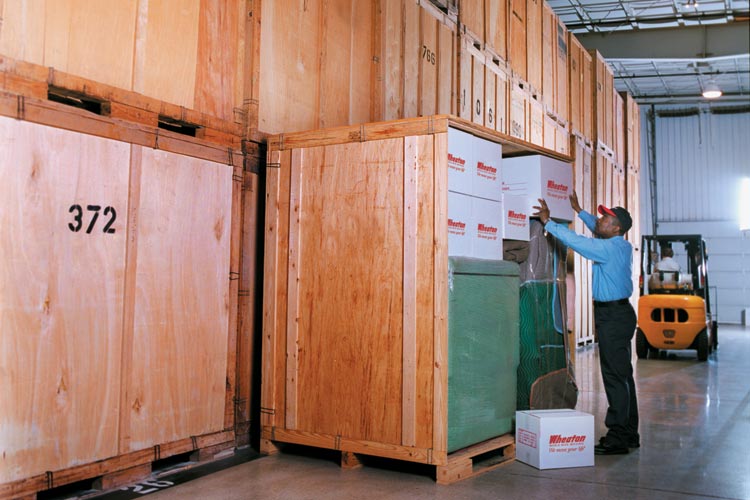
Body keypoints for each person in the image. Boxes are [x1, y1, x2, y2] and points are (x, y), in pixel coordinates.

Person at [533, 194, 638, 456]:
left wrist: (548, 223)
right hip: (620, 314)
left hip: (612, 318)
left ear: (616, 228)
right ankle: (629, 433)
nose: (599, 219)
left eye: (605, 218)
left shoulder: (607, 248)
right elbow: (595, 228)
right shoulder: (620, 244)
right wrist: (581, 212)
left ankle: (617, 437)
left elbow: (577, 242)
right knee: (624, 375)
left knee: (614, 377)